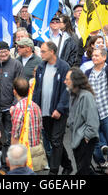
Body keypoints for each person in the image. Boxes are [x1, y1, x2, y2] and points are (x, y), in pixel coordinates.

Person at [33, 41, 73, 175]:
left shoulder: (63, 67)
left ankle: (54, 171)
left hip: (58, 111)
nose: (41, 54)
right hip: (44, 110)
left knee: (56, 140)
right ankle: (67, 165)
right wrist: (35, 108)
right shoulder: (41, 67)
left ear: (52, 52)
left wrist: (60, 109)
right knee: (53, 140)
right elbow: (37, 89)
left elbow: (67, 90)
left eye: (44, 51)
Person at [0, 40, 24, 173]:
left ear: (9, 51)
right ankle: (3, 163)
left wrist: (15, 105)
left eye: (5, 51)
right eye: (0, 52)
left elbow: (20, 86)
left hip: (11, 108)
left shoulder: (16, 65)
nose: (3, 53)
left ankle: (8, 165)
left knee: (9, 138)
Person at [86, 45, 108, 166]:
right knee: (94, 142)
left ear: (104, 57)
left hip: (107, 112)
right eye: (93, 55)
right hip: (93, 114)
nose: (94, 57)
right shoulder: (87, 73)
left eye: (97, 55)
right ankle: (100, 163)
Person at [65, 67, 99, 175]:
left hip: (85, 139)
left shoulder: (86, 96)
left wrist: (87, 137)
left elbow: (93, 120)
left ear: (75, 81)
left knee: (82, 171)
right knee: (85, 170)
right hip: (77, 138)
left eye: (67, 79)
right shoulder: (72, 95)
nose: (64, 81)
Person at [10, 77, 46, 172]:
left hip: (24, 152)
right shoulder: (35, 106)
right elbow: (40, 127)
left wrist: (13, 155)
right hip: (37, 148)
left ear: (14, 91)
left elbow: (15, 135)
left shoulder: (18, 108)